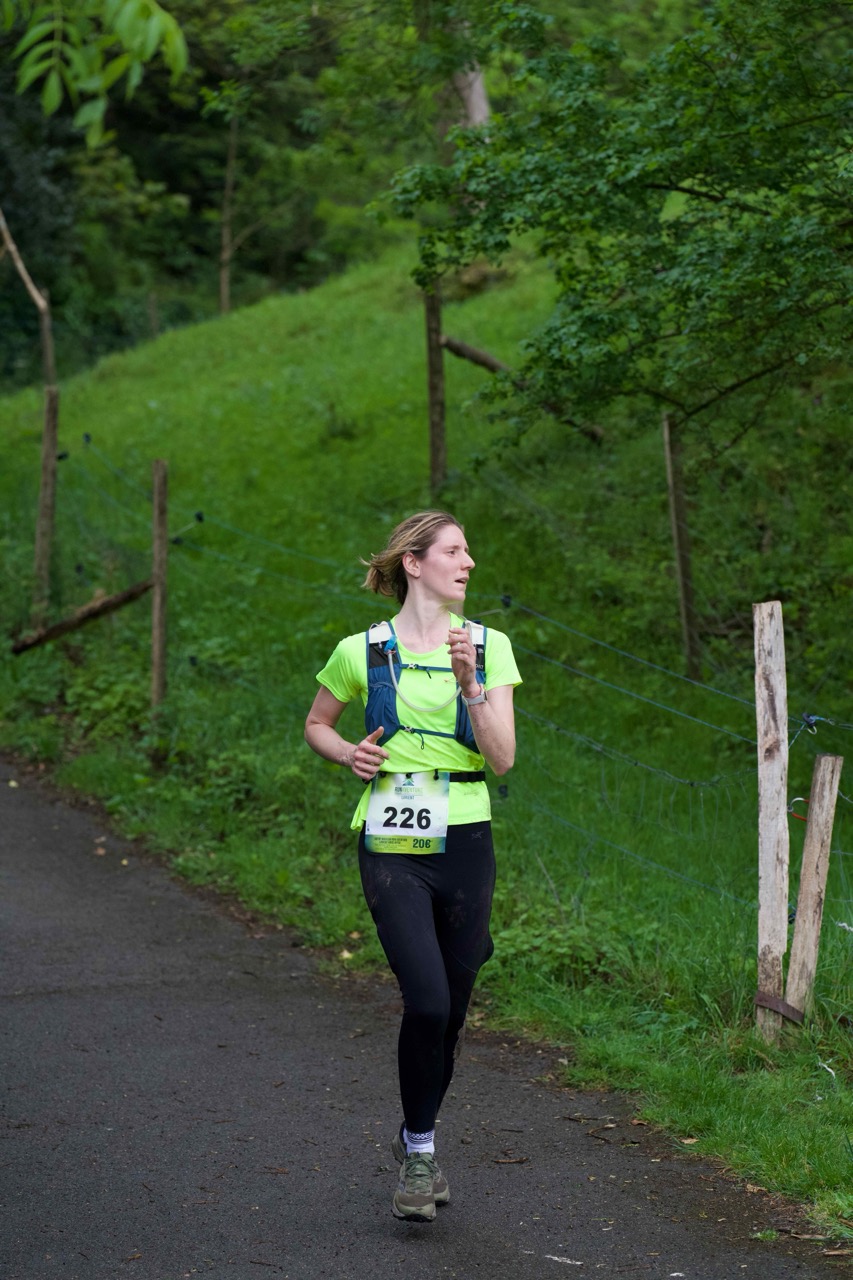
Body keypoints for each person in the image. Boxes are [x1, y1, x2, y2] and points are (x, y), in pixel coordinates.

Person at [304, 510, 521, 1223]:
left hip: (466, 839)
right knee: (425, 1002)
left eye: (468, 551)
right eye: (455, 551)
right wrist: (349, 753)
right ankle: (420, 1153)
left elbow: (502, 759)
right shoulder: (361, 650)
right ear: (414, 563)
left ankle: (414, 1133)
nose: (469, 563)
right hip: (391, 842)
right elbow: (317, 723)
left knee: (451, 1011)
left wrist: (470, 684)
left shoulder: (488, 646)